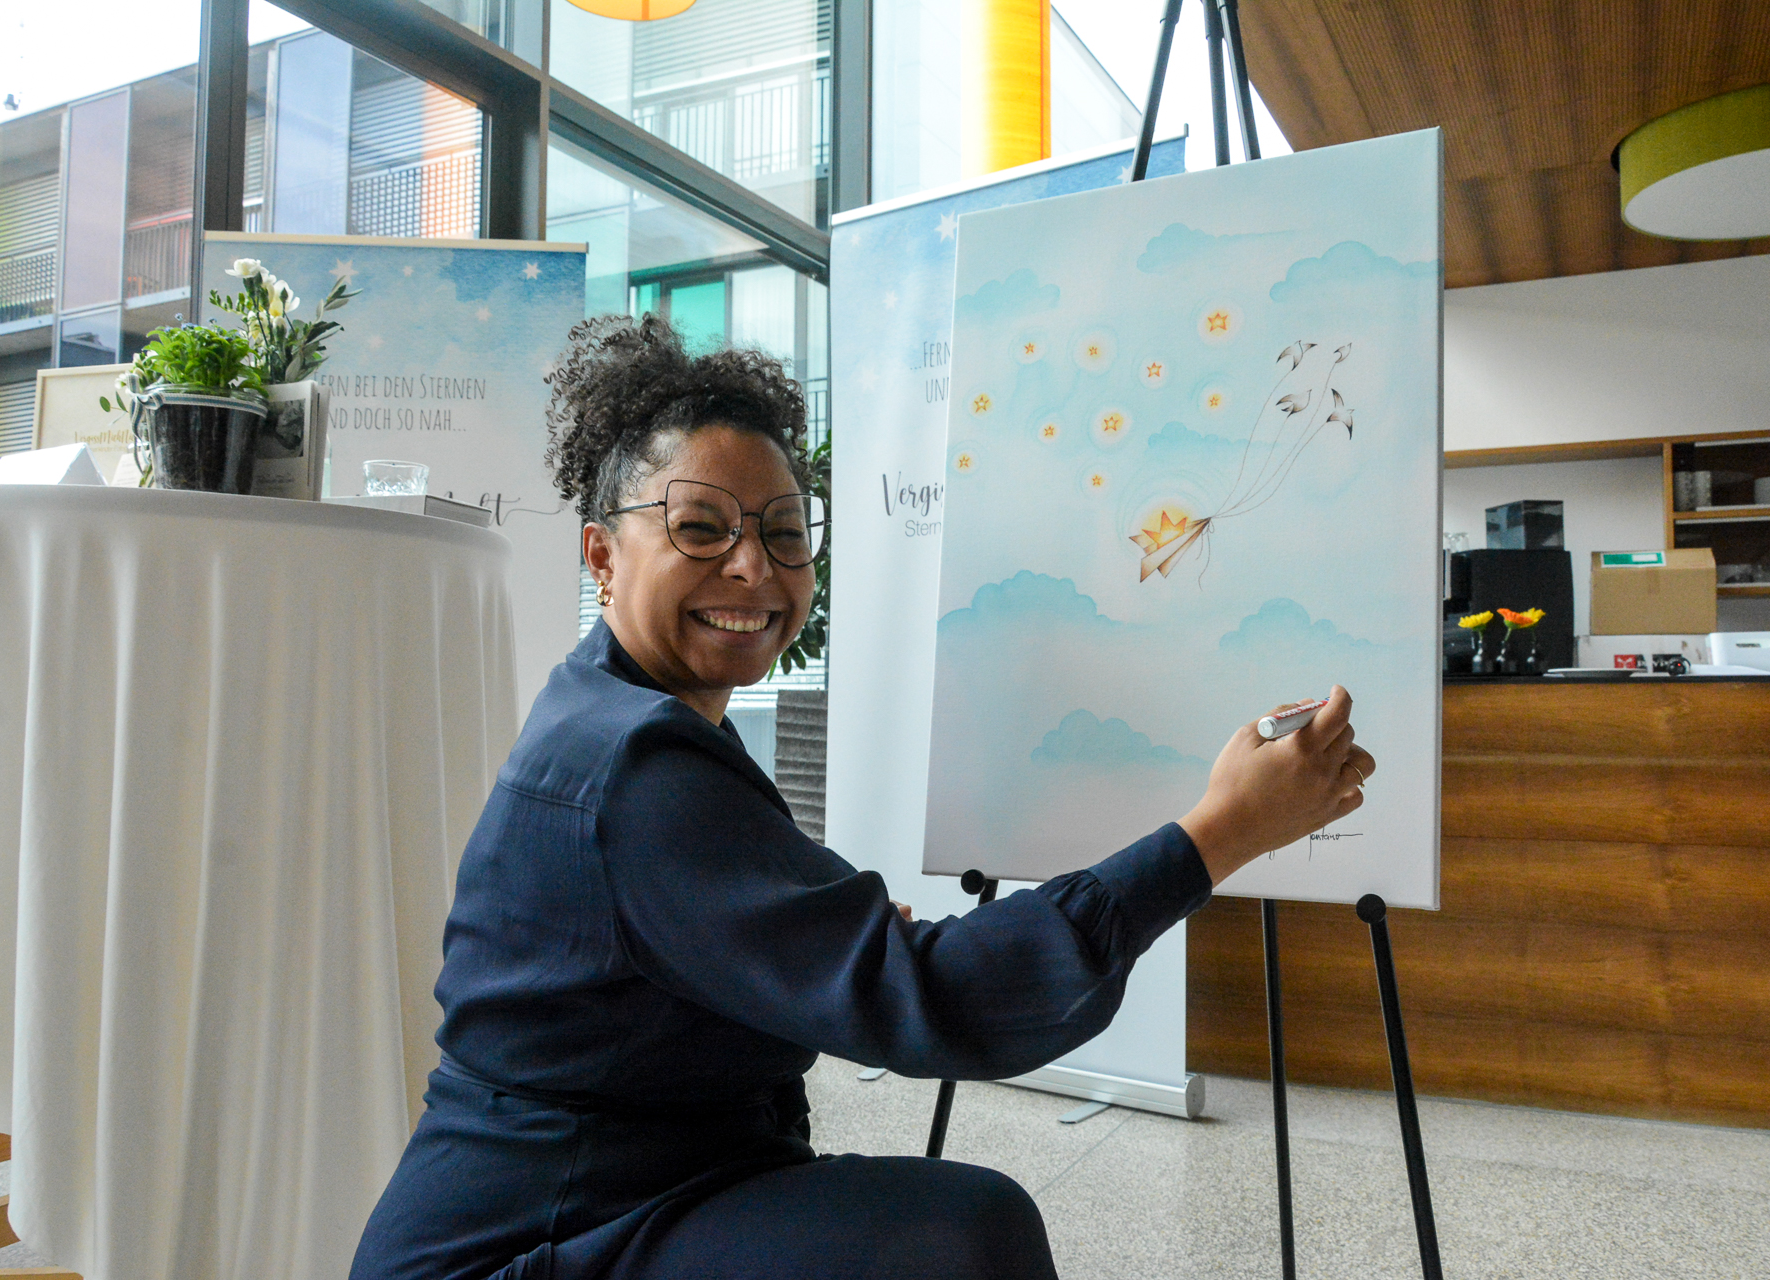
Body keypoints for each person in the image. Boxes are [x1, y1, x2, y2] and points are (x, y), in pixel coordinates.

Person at [349, 315, 1375, 1280]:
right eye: (700, 527)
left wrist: (835, 936)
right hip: (538, 1239)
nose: (753, 567)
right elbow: (939, 1001)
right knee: (969, 1231)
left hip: (648, 1185)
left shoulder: (622, 711)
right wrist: (1221, 832)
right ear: (603, 555)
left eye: (784, 532)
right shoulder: (634, 766)